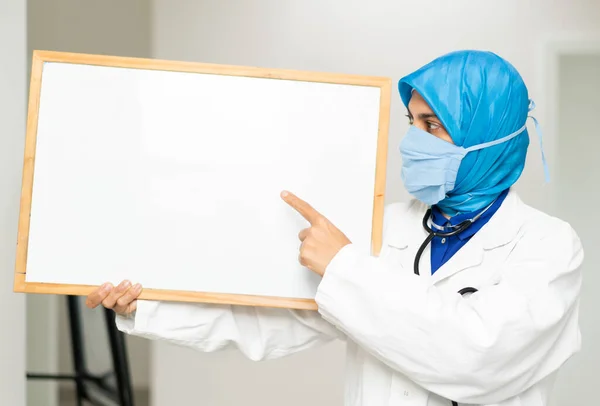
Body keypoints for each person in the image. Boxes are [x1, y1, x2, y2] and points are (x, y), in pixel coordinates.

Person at [86, 50, 584, 406]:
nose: (413, 142)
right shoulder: (385, 227)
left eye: (433, 126)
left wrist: (345, 266)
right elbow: (275, 321)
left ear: (489, 136)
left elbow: (478, 359)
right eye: (411, 123)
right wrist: (148, 307)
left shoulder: (547, 246)